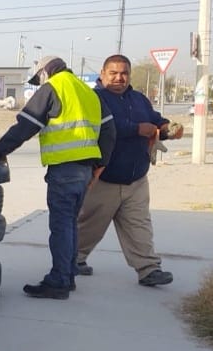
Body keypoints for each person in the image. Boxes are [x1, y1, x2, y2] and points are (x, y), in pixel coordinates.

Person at [0, 55, 116, 299]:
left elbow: (26, 125)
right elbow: (109, 131)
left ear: (46, 71)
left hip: (64, 169)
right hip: (85, 169)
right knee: (70, 224)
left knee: (61, 225)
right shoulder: (88, 92)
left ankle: (59, 281)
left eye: (39, 78)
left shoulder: (53, 88)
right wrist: (99, 166)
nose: (40, 83)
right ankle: (68, 275)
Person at [75, 54, 182, 286]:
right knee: (88, 226)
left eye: (123, 73)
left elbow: (154, 121)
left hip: (136, 180)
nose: (119, 78)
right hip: (103, 179)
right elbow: (99, 128)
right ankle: (74, 259)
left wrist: (168, 128)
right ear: (102, 74)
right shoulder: (92, 98)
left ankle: (149, 269)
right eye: (113, 73)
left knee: (139, 225)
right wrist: (136, 129)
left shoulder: (139, 99)